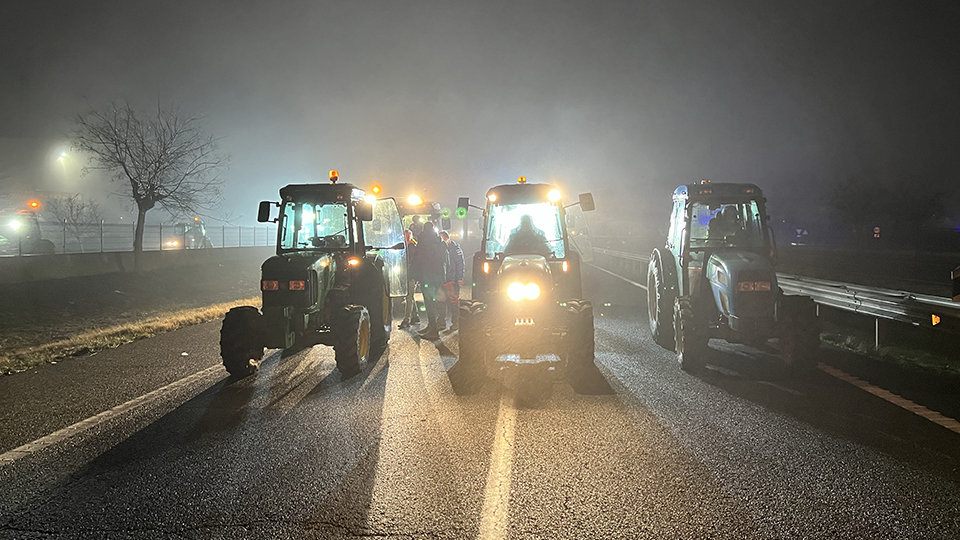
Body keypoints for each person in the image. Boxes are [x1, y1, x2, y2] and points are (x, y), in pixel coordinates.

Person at [412, 221, 449, 340]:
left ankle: (432, 329)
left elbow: (417, 260)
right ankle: (433, 326)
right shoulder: (440, 242)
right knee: (438, 301)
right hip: (438, 277)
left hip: (426, 277)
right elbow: (446, 260)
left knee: (429, 303)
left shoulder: (422, 243)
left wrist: (414, 275)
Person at [439, 231, 464, 331]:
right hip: (443, 280)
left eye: (442, 239)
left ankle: (455, 323)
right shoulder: (441, 248)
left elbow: (460, 264)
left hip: (452, 280)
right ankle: (441, 322)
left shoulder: (455, 249)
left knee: (453, 302)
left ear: (446, 238)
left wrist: (459, 278)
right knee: (441, 302)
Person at [397, 228, 420, 329]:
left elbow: (411, 263)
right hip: (407, 275)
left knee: (408, 297)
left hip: (411, 276)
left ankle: (406, 319)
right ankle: (415, 317)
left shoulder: (411, 247)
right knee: (410, 296)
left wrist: (411, 276)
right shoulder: (408, 247)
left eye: (406, 235)